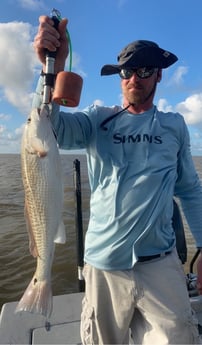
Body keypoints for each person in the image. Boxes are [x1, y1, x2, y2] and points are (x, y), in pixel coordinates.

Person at [33, 15, 202, 345]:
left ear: (159, 75)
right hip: (104, 265)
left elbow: (190, 190)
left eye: (144, 70)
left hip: (161, 264)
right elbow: (49, 131)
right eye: (127, 71)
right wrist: (52, 68)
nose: (134, 78)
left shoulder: (175, 125)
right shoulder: (98, 119)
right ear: (119, 76)